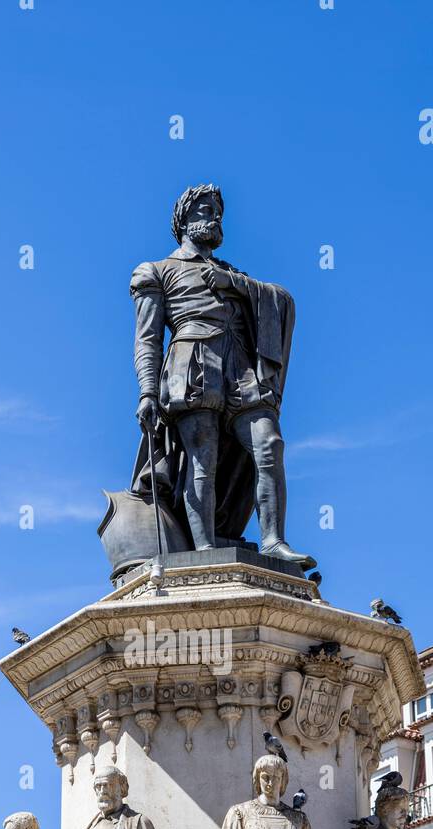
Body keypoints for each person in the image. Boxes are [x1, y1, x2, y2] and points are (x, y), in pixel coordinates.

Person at [129, 183, 315, 568]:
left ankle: (273, 540)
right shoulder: (156, 271)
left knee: (269, 444)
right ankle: (204, 549)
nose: (214, 217)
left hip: (241, 368)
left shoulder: (235, 275)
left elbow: (279, 299)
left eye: (217, 211)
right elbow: (148, 339)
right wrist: (147, 392)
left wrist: (239, 285)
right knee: (202, 459)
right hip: (192, 366)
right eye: (204, 210)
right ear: (183, 219)